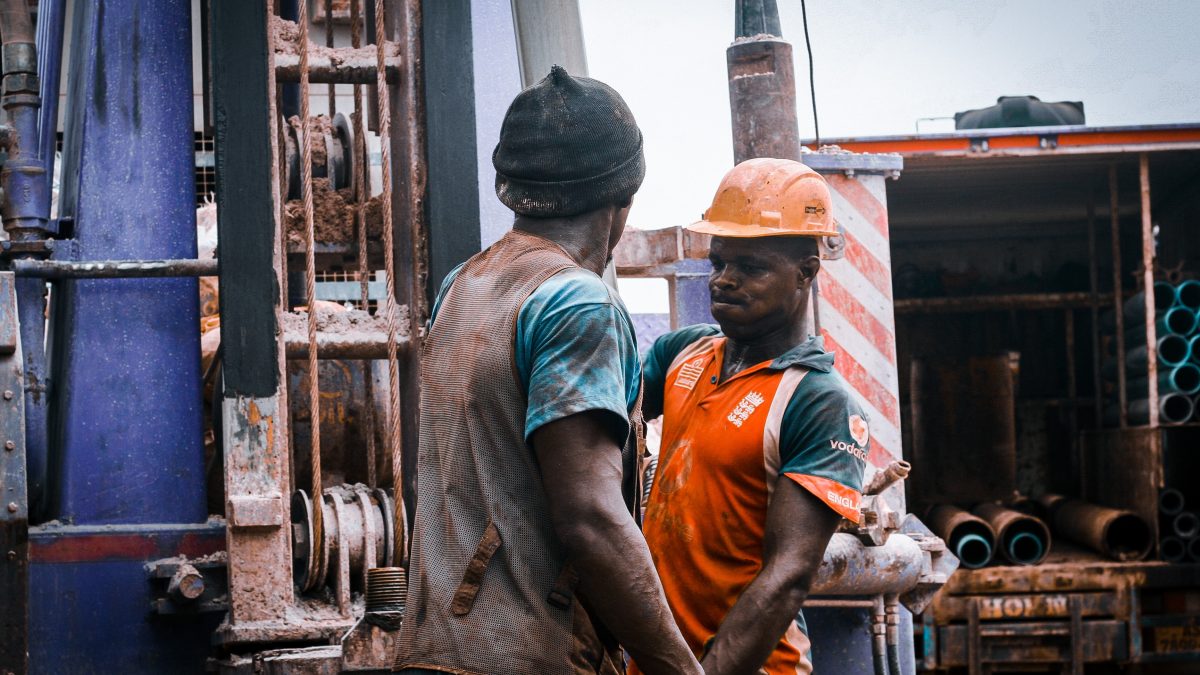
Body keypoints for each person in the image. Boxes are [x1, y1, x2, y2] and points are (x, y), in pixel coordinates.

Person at [394, 66, 700, 675]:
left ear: (512, 186)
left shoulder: (466, 284)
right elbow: (589, 519)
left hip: (434, 648)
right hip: (525, 652)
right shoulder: (575, 300)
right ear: (622, 200)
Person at [634, 158, 869, 675]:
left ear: (807, 271)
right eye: (718, 262)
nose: (723, 280)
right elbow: (602, 429)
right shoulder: (683, 354)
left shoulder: (816, 401)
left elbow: (788, 574)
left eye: (750, 267)